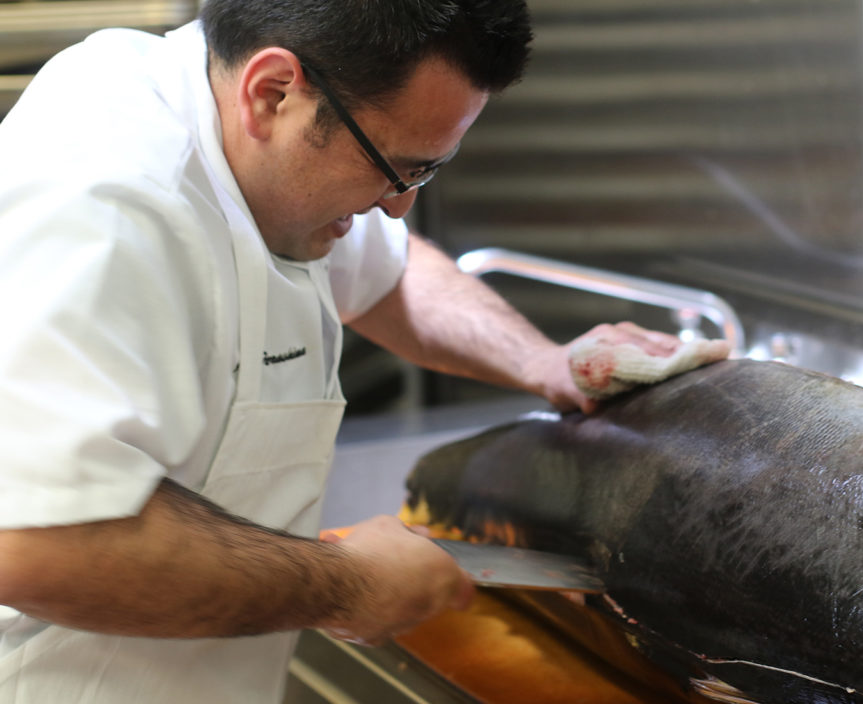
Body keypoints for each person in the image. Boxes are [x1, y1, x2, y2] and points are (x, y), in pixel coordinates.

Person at [0, 1, 694, 701]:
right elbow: (35, 546)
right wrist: (347, 586)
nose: (399, 207)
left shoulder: (257, 121)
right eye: (396, 170)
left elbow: (387, 273)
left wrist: (540, 362)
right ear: (273, 91)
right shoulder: (102, 207)